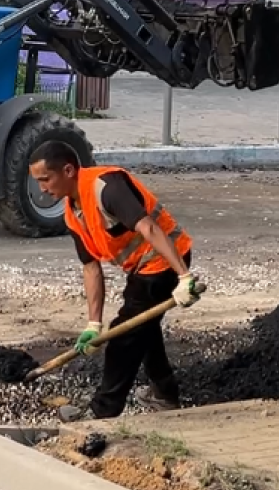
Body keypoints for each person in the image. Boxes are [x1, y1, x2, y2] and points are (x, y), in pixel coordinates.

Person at [28, 143, 204, 419]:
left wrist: (184, 277)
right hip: (141, 269)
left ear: (68, 170)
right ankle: (165, 393)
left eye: (45, 180)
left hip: (165, 260)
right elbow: (91, 268)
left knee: (123, 336)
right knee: (144, 328)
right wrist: (93, 325)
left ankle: (102, 414)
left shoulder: (106, 187)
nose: (42, 189)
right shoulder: (72, 213)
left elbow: (148, 227)